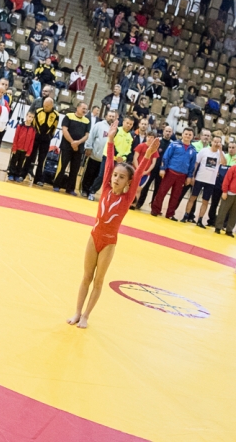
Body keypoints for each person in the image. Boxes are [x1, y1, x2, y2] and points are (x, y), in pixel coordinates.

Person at [66, 121, 159, 329]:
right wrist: (110, 140)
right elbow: (108, 165)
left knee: (98, 281)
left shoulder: (127, 199)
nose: (116, 179)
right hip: (94, 236)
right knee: (86, 277)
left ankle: (86, 316)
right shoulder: (107, 189)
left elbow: (140, 172)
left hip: (108, 242)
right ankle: (77, 312)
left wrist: (148, 155)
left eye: (122, 177)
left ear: (128, 183)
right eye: (115, 175)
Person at [150, 128, 197, 220]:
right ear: (182, 134)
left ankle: (170, 214)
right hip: (170, 172)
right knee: (162, 192)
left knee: (176, 196)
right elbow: (166, 157)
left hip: (182, 175)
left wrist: (189, 176)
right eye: (186, 134)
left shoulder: (193, 150)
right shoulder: (174, 144)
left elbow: (192, 164)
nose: (187, 136)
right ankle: (155, 210)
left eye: (189, 134)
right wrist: (162, 169)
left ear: (192, 137)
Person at [88, 114, 133, 200]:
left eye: (131, 124)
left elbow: (129, 150)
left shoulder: (130, 136)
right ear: (123, 122)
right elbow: (111, 143)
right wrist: (117, 155)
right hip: (109, 157)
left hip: (120, 161)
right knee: (102, 176)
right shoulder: (116, 131)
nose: (129, 125)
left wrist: (123, 158)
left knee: (115, 179)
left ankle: (111, 196)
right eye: (127, 123)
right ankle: (92, 191)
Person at [182, 135, 224, 227]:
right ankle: (186, 215)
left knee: (205, 201)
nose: (217, 143)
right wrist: (193, 176)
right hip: (200, 178)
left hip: (211, 181)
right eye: (215, 141)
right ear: (211, 142)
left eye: (219, 142)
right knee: (192, 198)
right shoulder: (204, 151)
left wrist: (220, 151)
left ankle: (200, 220)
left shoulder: (221, 154)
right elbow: (196, 163)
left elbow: (224, 163)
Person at [137, 125, 173, 210]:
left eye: (169, 131)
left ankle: (154, 206)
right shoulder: (157, 141)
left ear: (172, 133)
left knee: (158, 188)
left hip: (162, 169)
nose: (168, 133)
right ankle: (139, 203)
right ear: (163, 131)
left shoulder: (172, 144)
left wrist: (164, 168)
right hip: (152, 167)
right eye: (166, 131)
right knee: (145, 187)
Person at [25, 97, 59, 186]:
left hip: (46, 140)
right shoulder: (38, 111)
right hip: (36, 138)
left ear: (52, 105)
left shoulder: (56, 115)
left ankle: (38, 179)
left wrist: (49, 136)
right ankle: (23, 174)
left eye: (47, 106)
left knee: (42, 159)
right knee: (30, 156)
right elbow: (34, 124)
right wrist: (35, 135)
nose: (45, 107)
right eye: (44, 105)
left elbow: (54, 127)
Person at [83, 110, 115, 197]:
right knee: (89, 173)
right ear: (106, 116)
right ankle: (84, 190)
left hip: (105, 158)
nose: (111, 118)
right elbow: (91, 136)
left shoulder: (116, 129)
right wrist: (88, 147)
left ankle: (91, 191)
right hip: (94, 155)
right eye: (110, 116)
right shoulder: (99, 125)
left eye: (113, 116)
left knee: (99, 176)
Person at [8, 111, 36, 182]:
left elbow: (31, 142)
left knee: (21, 163)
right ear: (26, 116)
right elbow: (16, 137)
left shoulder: (33, 129)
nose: (30, 118)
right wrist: (14, 147)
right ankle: (11, 174)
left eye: (32, 117)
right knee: (14, 161)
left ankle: (17, 175)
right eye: (29, 116)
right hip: (17, 148)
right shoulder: (20, 126)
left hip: (25, 150)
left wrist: (29, 151)